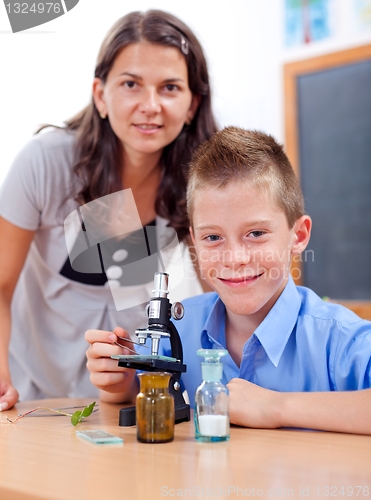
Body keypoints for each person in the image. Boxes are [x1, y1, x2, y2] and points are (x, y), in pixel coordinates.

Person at [86, 127, 371, 434]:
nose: (235, 258)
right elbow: (135, 394)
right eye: (213, 237)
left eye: (257, 234)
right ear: (194, 241)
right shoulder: (177, 330)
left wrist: (275, 407)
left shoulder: (338, 339)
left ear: (298, 236)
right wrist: (118, 384)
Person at [0, 9, 218, 411]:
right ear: (101, 94)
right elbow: (1, 286)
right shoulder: (46, 163)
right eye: (131, 84)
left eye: (170, 87)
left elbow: (221, 293)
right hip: (31, 397)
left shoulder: (196, 181)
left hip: (126, 401)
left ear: (192, 104)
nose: (150, 105)